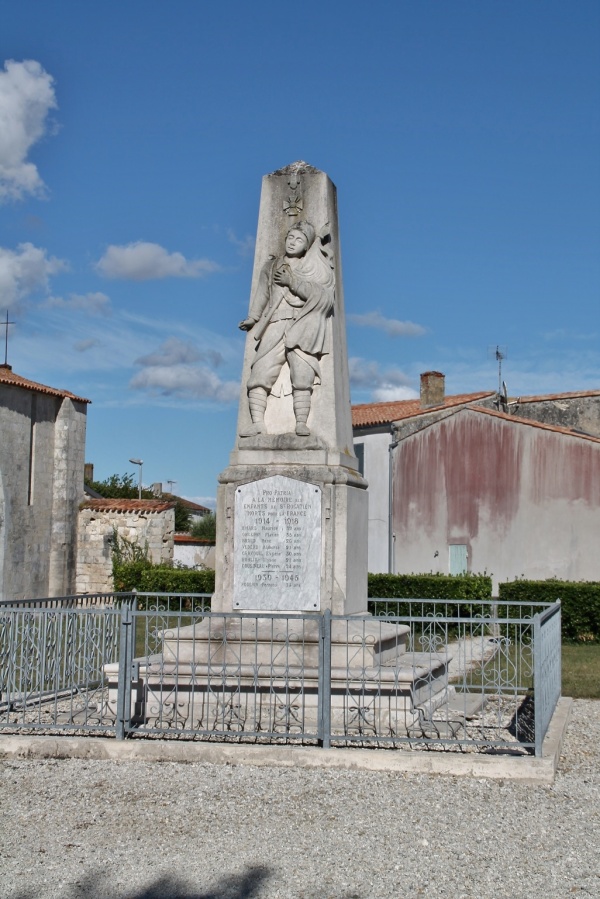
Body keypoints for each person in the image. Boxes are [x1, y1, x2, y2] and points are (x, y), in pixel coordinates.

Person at [239, 221, 335, 437]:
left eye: (299, 240)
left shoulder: (311, 268)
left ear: (307, 245)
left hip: (301, 324)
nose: (293, 242)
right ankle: (257, 424)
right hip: (274, 324)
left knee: (302, 375)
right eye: (290, 238)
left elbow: (320, 295)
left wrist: (292, 281)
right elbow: (262, 294)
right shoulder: (271, 266)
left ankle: (301, 423)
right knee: (259, 373)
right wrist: (253, 318)